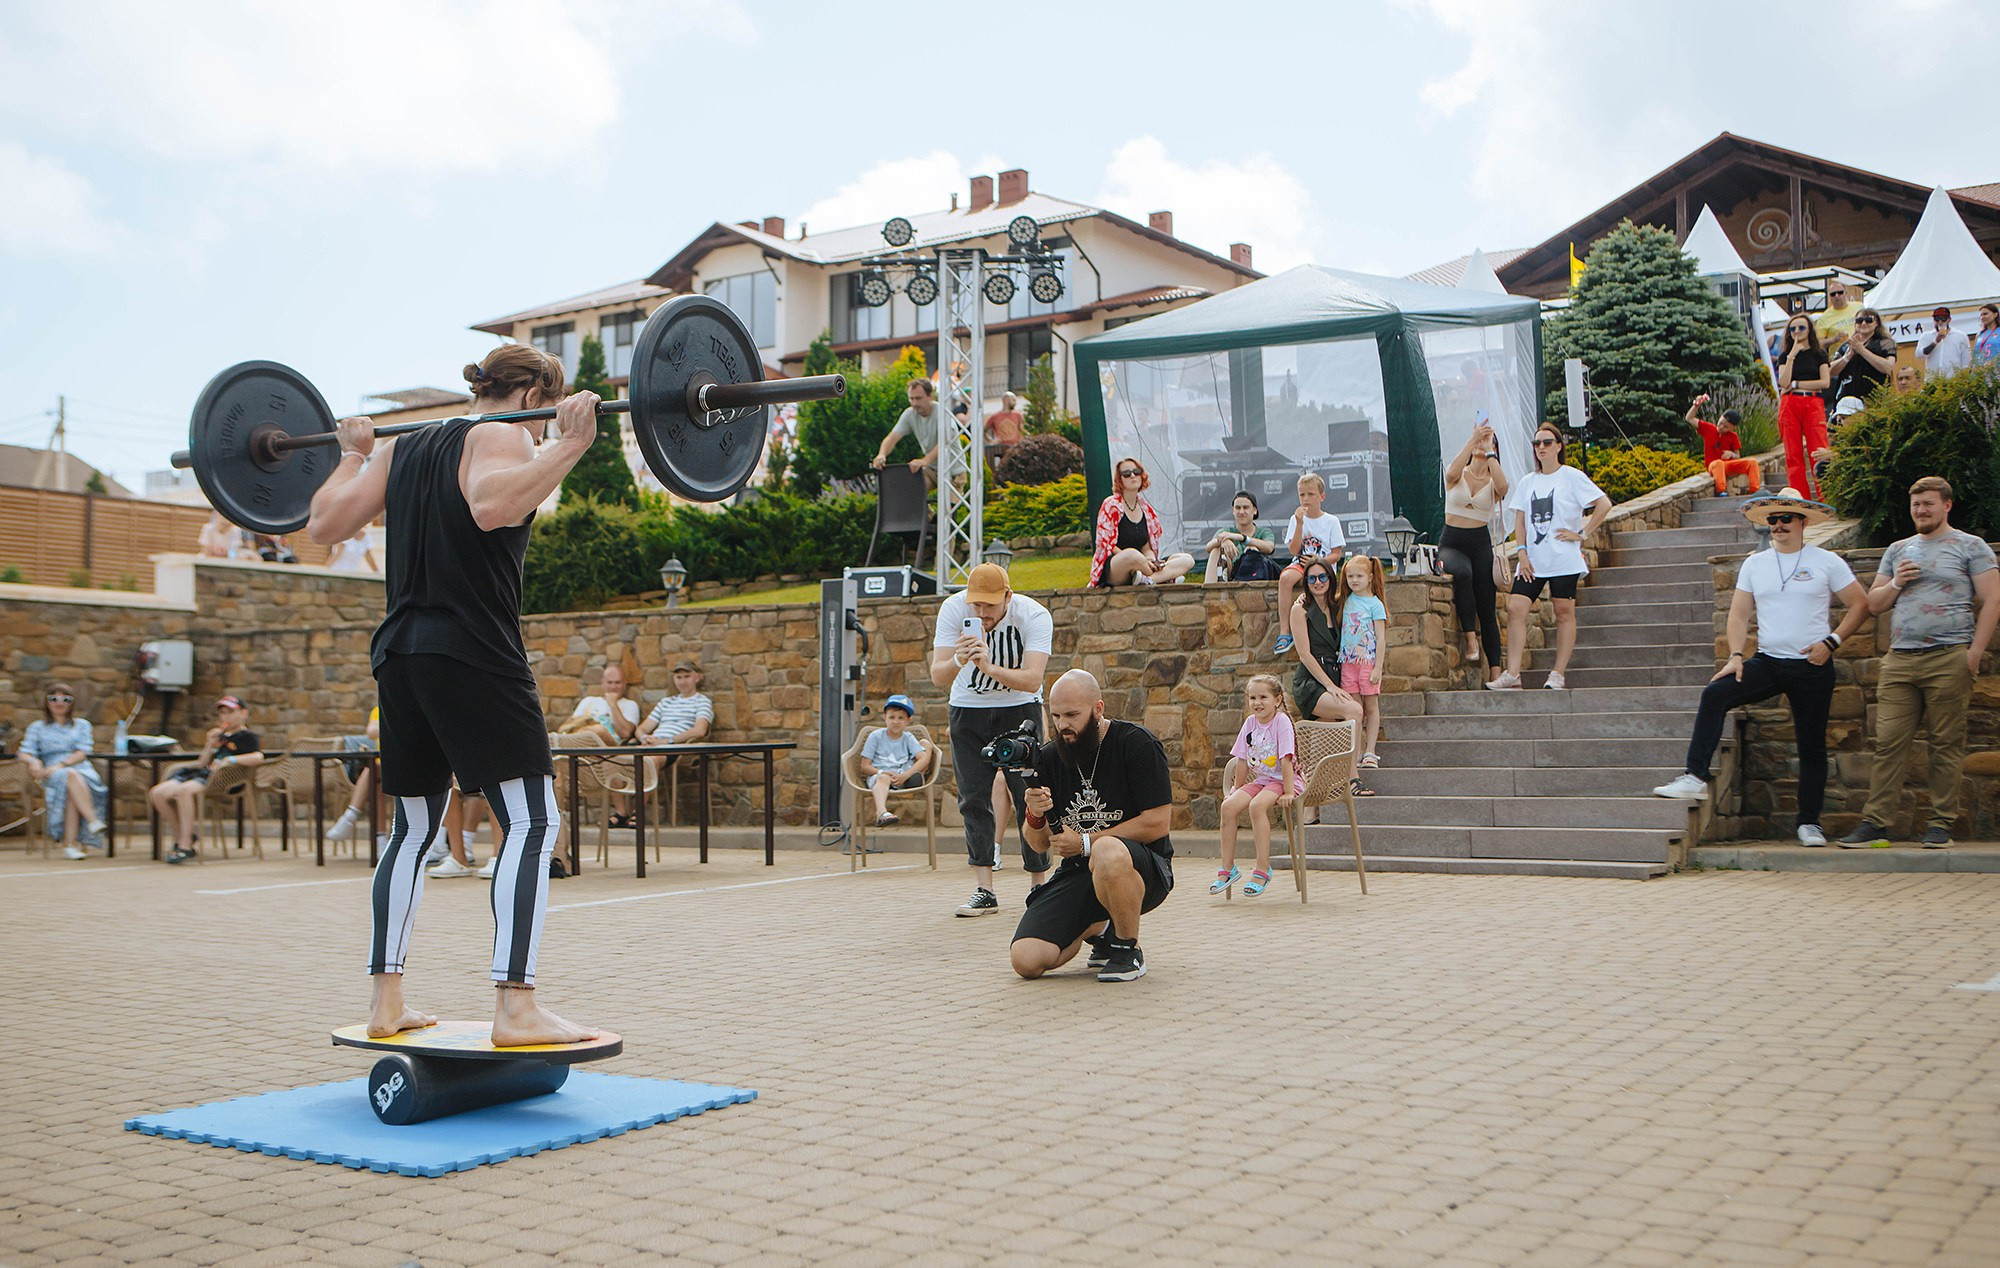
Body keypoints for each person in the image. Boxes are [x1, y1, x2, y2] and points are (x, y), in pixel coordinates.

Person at [305, 340, 599, 1047]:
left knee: (410, 829)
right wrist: (569, 446)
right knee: (531, 824)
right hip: (473, 651)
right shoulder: (501, 434)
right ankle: (516, 1007)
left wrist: (351, 454)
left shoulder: (403, 449)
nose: (538, 433)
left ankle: (386, 1002)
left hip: (401, 653)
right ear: (533, 397)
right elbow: (493, 507)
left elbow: (321, 525)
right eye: (542, 417)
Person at [1652, 489, 1869, 847]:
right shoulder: (1755, 563)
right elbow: (1738, 614)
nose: (1779, 525)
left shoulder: (1826, 561)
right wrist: (1736, 655)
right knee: (1715, 693)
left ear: (1802, 522)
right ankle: (1695, 776)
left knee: (1812, 745)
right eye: (1773, 520)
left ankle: (1809, 823)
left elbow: (1860, 604)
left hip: (1813, 665)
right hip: (1768, 661)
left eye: (1786, 518)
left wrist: (1832, 642)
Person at [1841, 477, 1999, 850]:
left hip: (1950, 656)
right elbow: (1875, 604)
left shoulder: (1969, 546)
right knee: (1888, 744)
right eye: (1916, 505)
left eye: (1928, 503)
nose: (1920, 510)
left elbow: (1992, 600)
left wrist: (1974, 652)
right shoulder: (1898, 550)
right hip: (1900, 659)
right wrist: (1896, 583)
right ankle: (1875, 823)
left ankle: (1940, 825)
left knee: (1946, 744)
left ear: (1947, 505)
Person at [1012, 670, 1174, 983]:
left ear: (1098, 709)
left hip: (1142, 868)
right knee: (1026, 960)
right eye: (1056, 715)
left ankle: (1127, 949)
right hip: (1079, 872)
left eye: (1073, 714)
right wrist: (1035, 814)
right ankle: (1099, 927)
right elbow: (1038, 844)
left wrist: (1087, 842)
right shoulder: (1048, 757)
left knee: (1106, 850)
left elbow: (1157, 823)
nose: (1063, 725)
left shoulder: (1137, 744)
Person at [929, 561, 1053, 916]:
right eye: (976, 605)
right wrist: (959, 658)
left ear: (1008, 597)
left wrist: (989, 668)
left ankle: (1039, 884)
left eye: (990, 605)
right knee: (972, 797)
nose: (981, 613)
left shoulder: (1034, 616)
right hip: (968, 709)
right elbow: (938, 675)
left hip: (1019, 708)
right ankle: (985, 887)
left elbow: (1032, 680)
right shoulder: (953, 609)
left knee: (1030, 795)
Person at [1489, 424, 1612, 692]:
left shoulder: (1572, 476)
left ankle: (1558, 673)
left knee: (1563, 611)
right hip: (1533, 560)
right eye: (1537, 444)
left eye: (1546, 442)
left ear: (1559, 445)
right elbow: (1519, 520)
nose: (1541, 448)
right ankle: (1513, 673)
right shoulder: (1527, 481)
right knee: (1515, 608)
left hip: (1563, 559)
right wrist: (1521, 553)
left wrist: (1582, 533)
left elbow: (1604, 504)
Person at [1210, 674, 1298, 899]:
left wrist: (1289, 791)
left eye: (1263, 697)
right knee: (1228, 807)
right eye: (1252, 697)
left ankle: (1262, 869)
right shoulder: (1250, 723)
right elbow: (1241, 759)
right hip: (1260, 780)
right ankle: (1228, 869)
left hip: (1282, 780)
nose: (1257, 702)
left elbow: (1287, 758)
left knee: (1257, 807)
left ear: (1277, 700)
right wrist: (1238, 788)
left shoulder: (1282, 722)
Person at [1287, 558, 1368, 799]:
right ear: (1306, 582)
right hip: (1311, 683)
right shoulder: (1299, 609)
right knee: (1354, 711)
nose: (1318, 582)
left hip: (1335, 677)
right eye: (1311, 578)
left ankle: (1310, 811)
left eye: (1322, 577)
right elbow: (1304, 654)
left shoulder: (1337, 605)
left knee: (1318, 748)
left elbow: (1362, 593)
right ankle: (1352, 778)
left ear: (1330, 579)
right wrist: (1330, 686)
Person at [149, 695, 264, 864]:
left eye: (230, 712)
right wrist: (209, 743)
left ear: (243, 713)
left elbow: (258, 756)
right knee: (157, 793)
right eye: (222, 713)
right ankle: (183, 836)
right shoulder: (220, 736)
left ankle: (185, 845)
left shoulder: (247, 736)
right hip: (201, 774)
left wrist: (231, 760)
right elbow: (202, 762)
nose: (226, 717)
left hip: (221, 780)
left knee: (185, 791)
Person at [1438, 419, 1509, 672]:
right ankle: (1470, 638)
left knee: (1487, 605)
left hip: (1480, 542)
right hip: (1452, 541)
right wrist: (1472, 439)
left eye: (1487, 441)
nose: (1481, 444)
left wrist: (1489, 451)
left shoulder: (1493, 479)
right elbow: (1450, 474)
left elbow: (1503, 488)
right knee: (1463, 572)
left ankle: (1496, 670)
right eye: (1478, 440)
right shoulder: (1459, 473)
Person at [16, 682, 106, 860]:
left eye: (65, 699)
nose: (59, 703)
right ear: (46, 702)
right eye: (53, 699)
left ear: (72, 703)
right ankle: (91, 821)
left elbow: (83, 751)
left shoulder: (82, 725)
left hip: (80, 769)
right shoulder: (37, 727)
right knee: (69, 779)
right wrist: (34, 761)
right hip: (50, 772)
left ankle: (70, 843)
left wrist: (62, 765)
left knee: (71, 779)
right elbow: (24, 752)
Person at [1089, 457, 1196, 587]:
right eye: (1126, 474)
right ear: (1120, 480)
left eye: (1136, 471)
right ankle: (1164, 578)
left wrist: (1150, 559)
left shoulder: (1146, 509)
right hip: (1119, 565)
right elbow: (1108, 545)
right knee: (1132, 555)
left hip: (1143, 565)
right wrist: (1144, 561)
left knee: (1187, 560)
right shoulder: (1111, 505)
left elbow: (1146, 547)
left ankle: (1149, 580)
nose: (1133, 476)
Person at [1272, 472, 1346, 654]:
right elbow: (1293, 550)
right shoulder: (1295, 520)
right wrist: (1298, 524)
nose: (1306, 499)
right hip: (1300, 564)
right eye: (1302, 495)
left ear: (1321, 496)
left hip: (1323, 566)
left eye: (1311, 494)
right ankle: (1284, 632)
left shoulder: (1331, 521)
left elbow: (1337, 554)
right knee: (1285, 579)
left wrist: (1317, 562)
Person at [1336, 554, 1389, 768]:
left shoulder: (1375, 604)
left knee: (1371, 706)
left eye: (1359, 575)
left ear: (1370, 577)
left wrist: (1378, 667)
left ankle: (1370, 751)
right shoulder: (1346, 600)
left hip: (1367, 662)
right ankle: (1356, 750)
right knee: (1355, 708)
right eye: (1350, 576)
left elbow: (1381, 638)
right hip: (1348, 662)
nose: (1354, 580)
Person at [1775, 315, 1832, 500]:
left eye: (1801, 328)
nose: (1797, 332)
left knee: (1819, 449)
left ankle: (1827, 496)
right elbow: (1783, 382)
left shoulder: (1818, 353)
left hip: (1812, 402)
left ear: (1809, 330)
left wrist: (1797, 383)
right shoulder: (1786, 355)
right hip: (1789, 403)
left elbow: (1825, 382)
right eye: (1793, 329)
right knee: (1793, 454)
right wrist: (1792, 354)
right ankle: (1801, 499)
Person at [858, 694, 930, 827]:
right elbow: (864, 766)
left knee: (926, 745)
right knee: (883, 778)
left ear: (908, 720)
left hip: (902, 777)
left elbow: (923, 758)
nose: (896, 721)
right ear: (884, 717)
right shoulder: (875, 737)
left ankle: (918, 776)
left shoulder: (908, 738)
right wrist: (883, 772)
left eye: (901, 718)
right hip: (880, 779)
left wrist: (905, 776)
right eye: (892, 717)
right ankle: (881, 812)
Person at [325, 707, 381, 845]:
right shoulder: (379, 709)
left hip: (404, 765)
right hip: (383, 766)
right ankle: (380, 839)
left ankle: (351, 815)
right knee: (376, 778)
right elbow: (371, 732)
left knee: (375, 773)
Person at [1685, 394, 1761, 498]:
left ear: (1732, 428)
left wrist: (1731, 454)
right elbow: (1689, 418)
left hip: (1729, 465)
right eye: (1720, 423)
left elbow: (1738, 456)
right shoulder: (1709, 429)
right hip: (1713, 465)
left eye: (1725, 427)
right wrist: (1696, 405)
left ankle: (1755, 490)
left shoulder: (1733, 436)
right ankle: (1721, 490)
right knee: (1718, 463)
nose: (1721, 427)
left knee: (1752, 462)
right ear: (1720, 417)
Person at [870, 377, 943, 483]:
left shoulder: (942, 412)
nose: (914, 403)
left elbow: (945, 443)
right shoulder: (909, 414)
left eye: (918, 398)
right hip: (931, 469)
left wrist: (924, 461)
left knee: (950, 500)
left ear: (930, 397)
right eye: (911, 399)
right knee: (910, 491)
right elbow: (891, 438)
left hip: (952, 470)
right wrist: (882, 454)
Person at [1202, 490, 1280, 583]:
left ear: (1254, 510)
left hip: (1258, 574)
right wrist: (1223, 541)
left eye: (1246, 508)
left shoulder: (1264, 532)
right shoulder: (1226, 531)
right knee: (1216, 550)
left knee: (1252, 549)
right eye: (1238, 508)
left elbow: (1269, 547)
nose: (1241, 512)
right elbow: (1208, 547)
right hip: (1233, 573)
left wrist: (1242, 538)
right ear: (1233, 510)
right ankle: (1210, 593)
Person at [559, 664, 640, 747]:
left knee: (599, 730)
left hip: (608, 747)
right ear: (603, 683)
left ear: (624, 684)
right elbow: (571, 726)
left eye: (617, 683)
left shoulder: (630, 705)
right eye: (609, 682)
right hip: (581, 742)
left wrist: (612, 704)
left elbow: (625, 733)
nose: (613, 687)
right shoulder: (588, 701)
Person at [1828, 307, 1895, 405]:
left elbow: (1888, 367)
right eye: (1859, 321)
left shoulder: (1885, 343)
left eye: (1868, 320)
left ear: (1876, 323)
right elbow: (1830, 371)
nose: (1863, 323)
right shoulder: (1846, 346)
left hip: (1875, 397)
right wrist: (1848, 356)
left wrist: (1862, 350)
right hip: (1848, 397)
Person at [1920, 307, 1972, 380]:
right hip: (1932, 382)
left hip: (1954, 383)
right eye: (1937, 319)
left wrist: (1963, 380)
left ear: (1949, 320)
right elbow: (1919, 355)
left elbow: (1966, 363)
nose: (1940, 322)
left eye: (1943, 319)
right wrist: (1935, 342)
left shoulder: (1961, 336)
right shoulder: (1926, 336)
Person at [1814, 279, 1861, 357]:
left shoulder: (1859, 307)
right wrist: (1834, 339)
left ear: (1846, 293)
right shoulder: (1824, 318)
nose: (1837, 296)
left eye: (1840, 293)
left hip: (1861, 353)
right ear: (1829, 297)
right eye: (1833, 294)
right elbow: (1817, 343)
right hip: (1839, 357)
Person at [984, 391, 1023, 458]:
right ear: (1006, 400)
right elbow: (984, 431)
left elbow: (1022, 430)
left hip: (1015, 448)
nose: (1015, 403)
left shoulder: (1018, 415)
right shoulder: (995, 417)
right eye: (1013, 400)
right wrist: (991, 440)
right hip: (1001, 449)